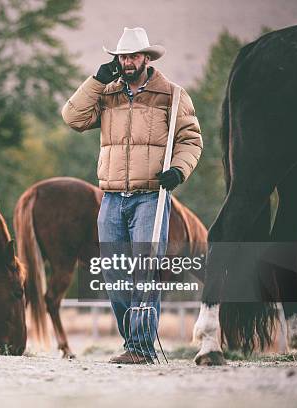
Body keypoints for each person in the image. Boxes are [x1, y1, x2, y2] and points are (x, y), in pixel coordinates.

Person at [61, 27, 203, 364]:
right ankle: (133, 343)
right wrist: (95, 81)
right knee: (112, 271)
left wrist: (179, 170)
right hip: (110, 197)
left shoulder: (172, 94)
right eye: (122, 56)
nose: (127, 61)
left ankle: (140, 348)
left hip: (150, 196)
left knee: (145, 270)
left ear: (146, 58)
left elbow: (191, 139)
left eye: (133, 56)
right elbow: (72, 117)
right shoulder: (106, 93)